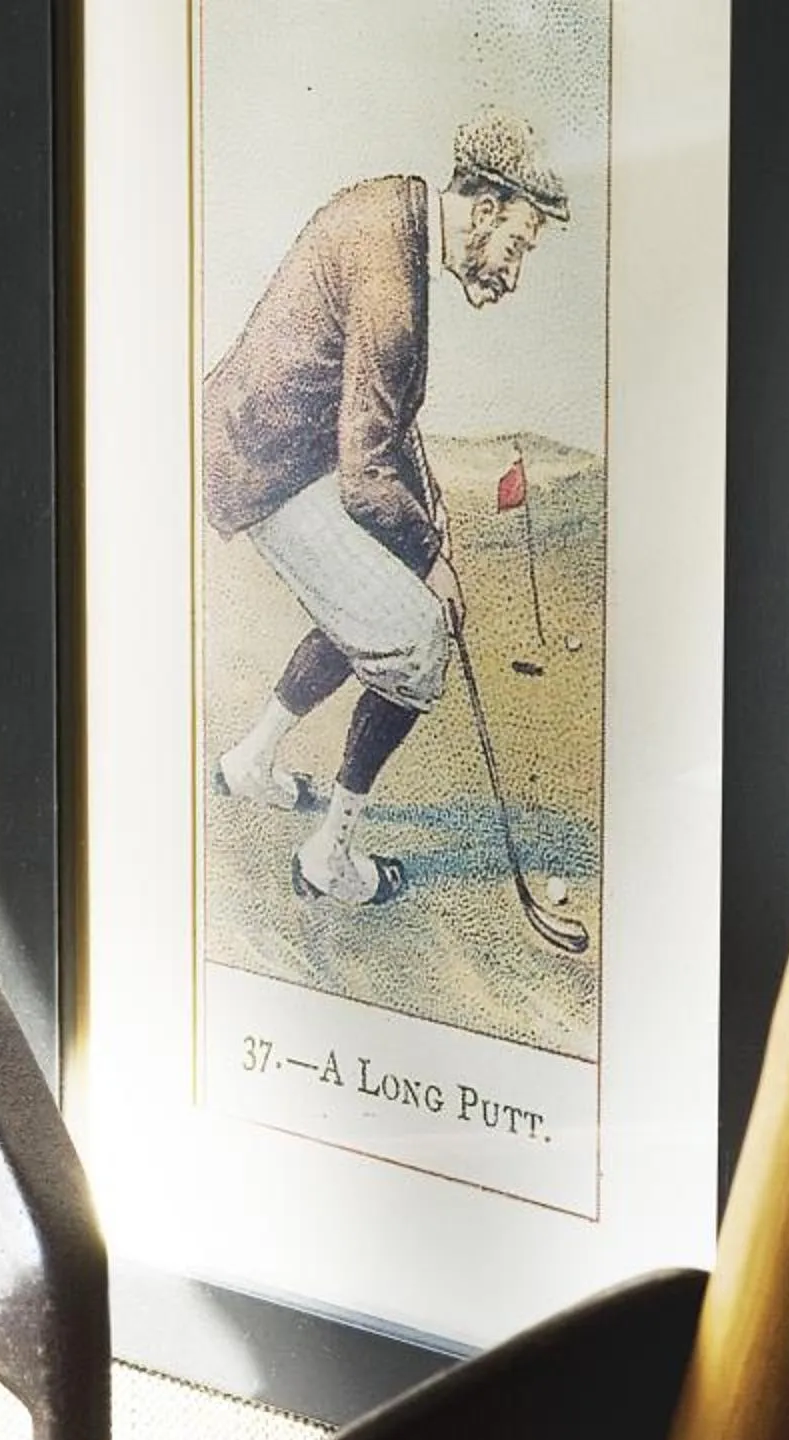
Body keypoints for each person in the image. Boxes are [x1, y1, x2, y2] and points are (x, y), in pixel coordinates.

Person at [205, 112, 568, 906]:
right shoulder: (389, 267)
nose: (513, 270)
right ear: (483, 209)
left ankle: (251, 762)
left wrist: (434, 541)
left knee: (369, 608)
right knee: (412, 640)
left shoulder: (401, 220)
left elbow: (391, 423)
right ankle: (329, 858)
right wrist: (431, 563)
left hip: (284, 455)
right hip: (267, 467)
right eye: (517, 245)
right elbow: (369, 469)